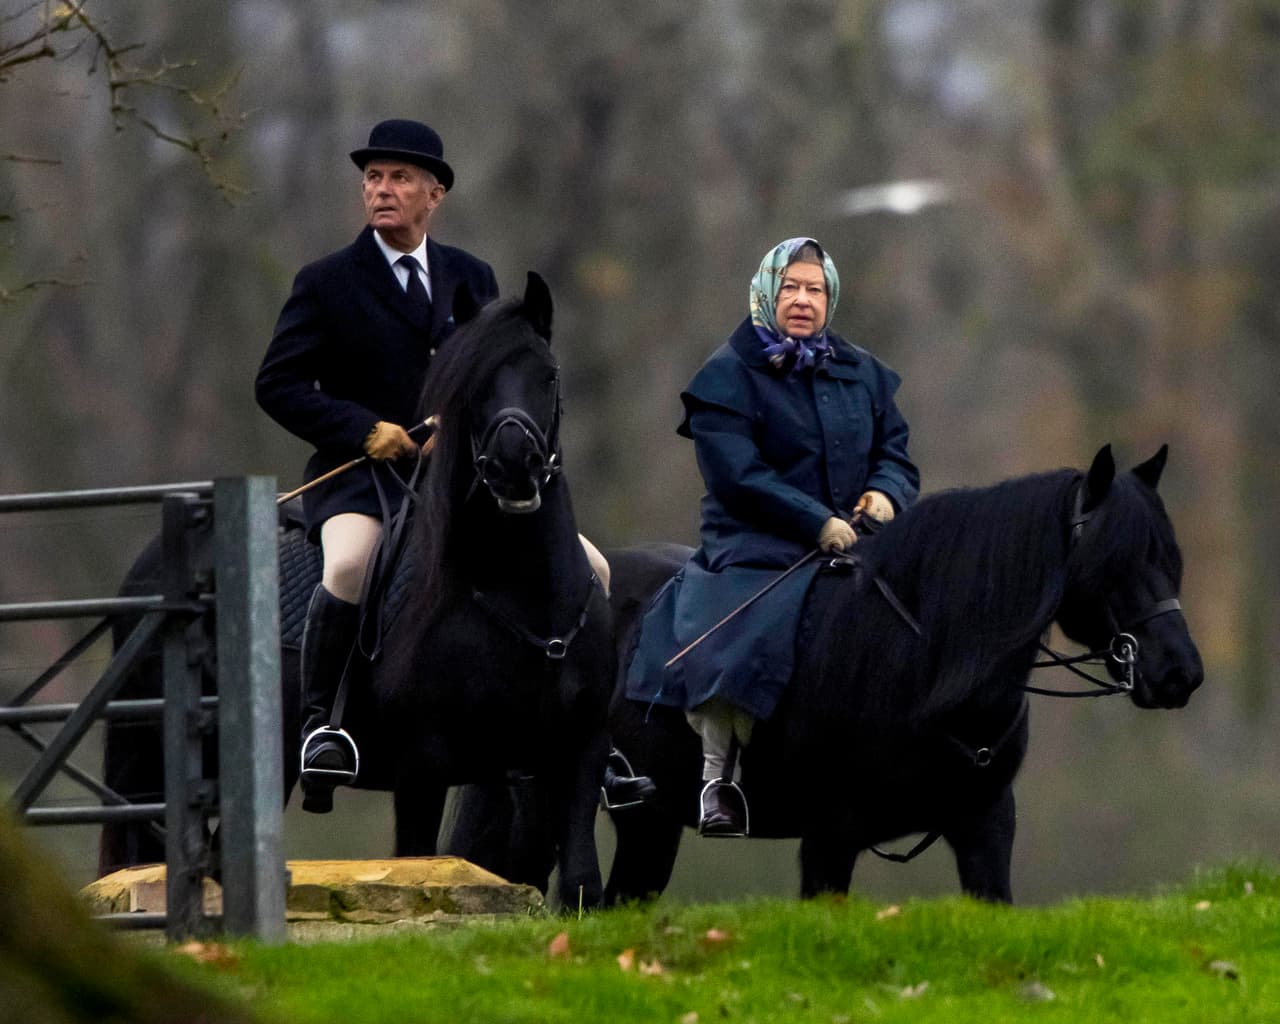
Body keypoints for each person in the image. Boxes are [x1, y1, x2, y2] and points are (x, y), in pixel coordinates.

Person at [257, 119, 621, 815]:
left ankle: (592, 740)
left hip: (460, 487)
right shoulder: (326, 282)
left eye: (398, 179)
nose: (381, 190)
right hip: (361, 481)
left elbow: (496, 379)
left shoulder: (471, 277)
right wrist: (367, 430)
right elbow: (277, 384)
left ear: (434, 195)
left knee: (594, 571)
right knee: (348, 568)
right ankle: (323, 725)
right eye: (372, 178)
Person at [624, 237, 920, 837]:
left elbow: (896, 454)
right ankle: (718, 778)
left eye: (815, 290)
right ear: (767, 292)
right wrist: (817, 522)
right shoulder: (726, 375)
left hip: (858, 541)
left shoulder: (862, 371)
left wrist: (884, 495)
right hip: (755, 544)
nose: (803, 300)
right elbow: (738, 475)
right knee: (739, 636)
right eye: (791, 288)